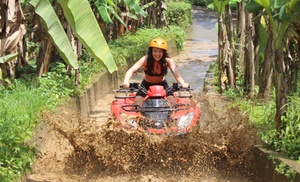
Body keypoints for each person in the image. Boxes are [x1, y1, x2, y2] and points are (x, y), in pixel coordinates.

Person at [122, 38, 189, 106]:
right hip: (146, 85)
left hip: (163, 85)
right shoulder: (145, 59)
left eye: (160, 51)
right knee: (136, 104)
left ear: (164, 52)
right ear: (151, 51)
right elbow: (131, 70)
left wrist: (183, 83)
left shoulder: (168, 61)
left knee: (173, 103)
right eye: (155, 51)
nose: (157, 54)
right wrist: (126, 80)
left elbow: (176, 72)